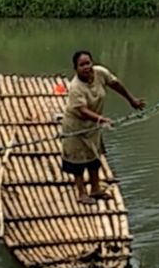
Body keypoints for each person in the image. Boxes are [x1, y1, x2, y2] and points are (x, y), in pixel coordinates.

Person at [61, 50, 146, 205]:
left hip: (93, 125)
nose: (86, 67)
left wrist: (131, 99)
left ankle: (95, 189)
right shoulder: (75, 87)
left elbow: (115, 83)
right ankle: (81, 194)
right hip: (76, 127)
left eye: (88, 63)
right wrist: (101, 119)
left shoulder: (100, 73)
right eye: (82, 65)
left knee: (94, 157)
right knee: (77, 161)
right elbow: (82, 110)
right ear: (76, 68)